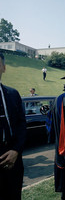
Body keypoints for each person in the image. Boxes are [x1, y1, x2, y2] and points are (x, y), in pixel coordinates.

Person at [0, 53, 26, 200]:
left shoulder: (13, 94)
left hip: (13, 162)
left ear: (4, 68)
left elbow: (22, 125)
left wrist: (16, 150)